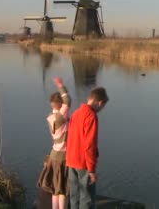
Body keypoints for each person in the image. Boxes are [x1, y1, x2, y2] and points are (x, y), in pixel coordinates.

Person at [66, 86, 109, 209]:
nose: (101, 109)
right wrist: (91, 170)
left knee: (74, 196)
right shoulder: (91, 116)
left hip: (71, 160)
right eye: (102, 106)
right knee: (86, 198)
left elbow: (70, 137)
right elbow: (89, 144)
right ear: (100, 103)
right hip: (83, 163)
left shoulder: (76, 113)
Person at [37, 77, 71, 209]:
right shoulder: (60, 117)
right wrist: (60, 85)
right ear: (61, 105)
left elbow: (65, 102)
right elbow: (67, 100)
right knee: (62, 188)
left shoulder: (51, 118)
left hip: (53, 155)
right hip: (63, 156)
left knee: (55, 188)